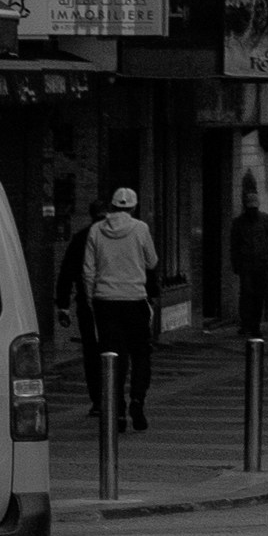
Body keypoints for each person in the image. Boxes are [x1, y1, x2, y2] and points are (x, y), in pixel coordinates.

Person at [83, 185, 159, 431]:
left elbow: (88, 270)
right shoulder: (141, 229)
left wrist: (90, 298)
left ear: (112, 206)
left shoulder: (96, 230)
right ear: (133, 207)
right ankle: (137, 399)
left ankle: (117, 409)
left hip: (105, 301)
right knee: (141, 354)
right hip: (135, 299)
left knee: (111, 357)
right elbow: (152, 261)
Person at [48, 187, 101, 421]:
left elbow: (67, 272)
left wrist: (63, 305)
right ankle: (116, 398)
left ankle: (98, 400)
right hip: (119, 303)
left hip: (88, 304)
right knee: (118, 351)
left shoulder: (82, 238)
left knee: (91, 353)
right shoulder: (128, 233)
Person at [227, 187, 268, 343]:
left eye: (254, 208)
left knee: (258, 295)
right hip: (246, 263)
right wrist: (235, 263)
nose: (252, 211)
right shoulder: (238, 223)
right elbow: (234, 245)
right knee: (246, 293)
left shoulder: (266, 220)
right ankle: (246, 323)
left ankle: (255, 324)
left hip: (262, 263)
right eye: (250, 209)